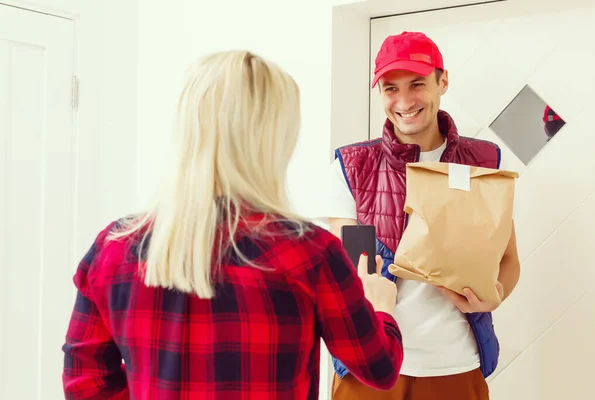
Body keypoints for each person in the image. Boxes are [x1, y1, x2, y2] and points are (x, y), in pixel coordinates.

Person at [61, 50, 404, 399]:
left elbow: (85, 386)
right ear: (274, 138)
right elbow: (378, 368)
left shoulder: (115, 246)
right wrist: (380, 307)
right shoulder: (309, 252)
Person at [328, 32, 521, 400]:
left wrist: (495, 296)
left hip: (455, 365)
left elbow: (508, 259)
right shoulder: (353, 167)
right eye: (390, 88)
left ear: (442, 81)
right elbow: (357, 271)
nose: (404, 101)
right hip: (372, 368)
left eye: (417, 84)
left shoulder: (487, 162)